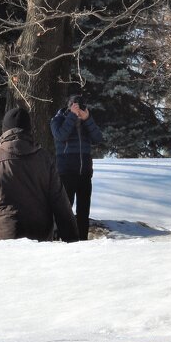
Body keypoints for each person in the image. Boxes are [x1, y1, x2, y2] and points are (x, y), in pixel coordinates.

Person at [0, 106, 78, 242]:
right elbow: (60, 202)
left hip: (5, 236)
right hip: (40, 236)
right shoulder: (45, 158)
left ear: (5, 130)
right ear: (29, 130)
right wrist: (72, 239)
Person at [51, 93, 105, 241]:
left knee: (83, 211)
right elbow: (60, 136)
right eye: (76, 107)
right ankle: (61, 238)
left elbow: (98, 138)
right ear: (69, 107)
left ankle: (82, 239)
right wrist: (72, 117)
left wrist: (87, 119)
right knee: (65, 209)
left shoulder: (86, 121)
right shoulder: (58, 120)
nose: (79, 111)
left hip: (85, 172)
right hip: (66, 172)